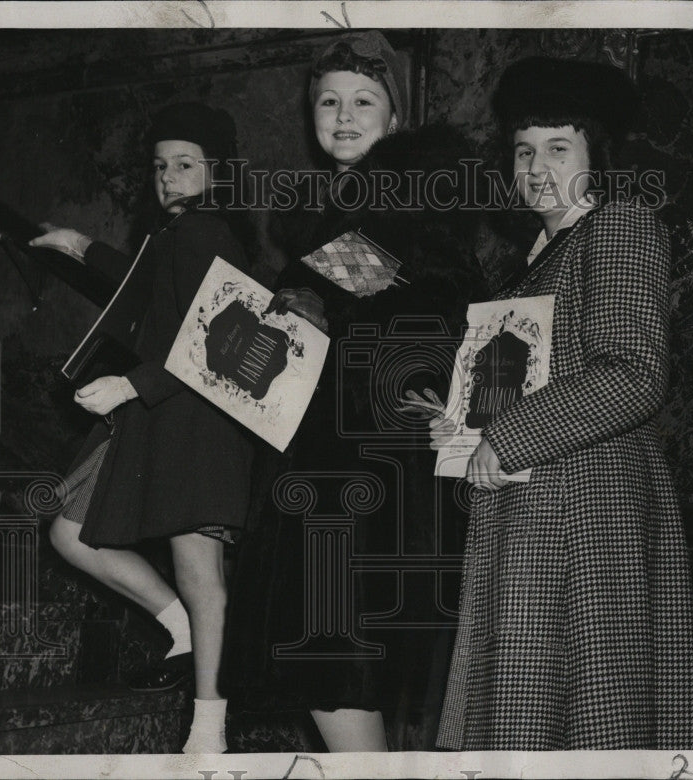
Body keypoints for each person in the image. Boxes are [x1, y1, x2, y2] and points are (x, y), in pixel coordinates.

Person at [221, 31, 484, 752]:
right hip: (331, 469)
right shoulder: (338, 210)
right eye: (328, 101)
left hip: (375, 480)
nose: (342, 115)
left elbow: (426, 314)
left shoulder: (414, 195)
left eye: (364, 101)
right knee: (340, 688)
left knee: (342, 680)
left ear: (395, 118)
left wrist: (313, 299)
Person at [431, 57, 693, 750]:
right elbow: (530, 377)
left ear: (596, 157)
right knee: (536, 722)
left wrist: (507, 438)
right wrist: (463, 432)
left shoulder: (618, 225)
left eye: (559, 148)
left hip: (588, 515)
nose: (537, 167)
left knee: (586, 724)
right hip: (537, 512)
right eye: (524, 151)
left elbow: (633, 373)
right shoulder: (540, 252)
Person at [30, 102, 256, 754]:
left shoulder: (206, 232)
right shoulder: (180, 235)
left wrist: (132, 384)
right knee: (72, 530)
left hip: (195, 417)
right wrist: (78, 244)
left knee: (198, 570)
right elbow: (143, 287)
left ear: (218, 173)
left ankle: (209, 726)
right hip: (163, 412)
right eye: (161, 166)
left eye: (185, 164)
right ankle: (179, 624)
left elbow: (222, 336)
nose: (168, 177)